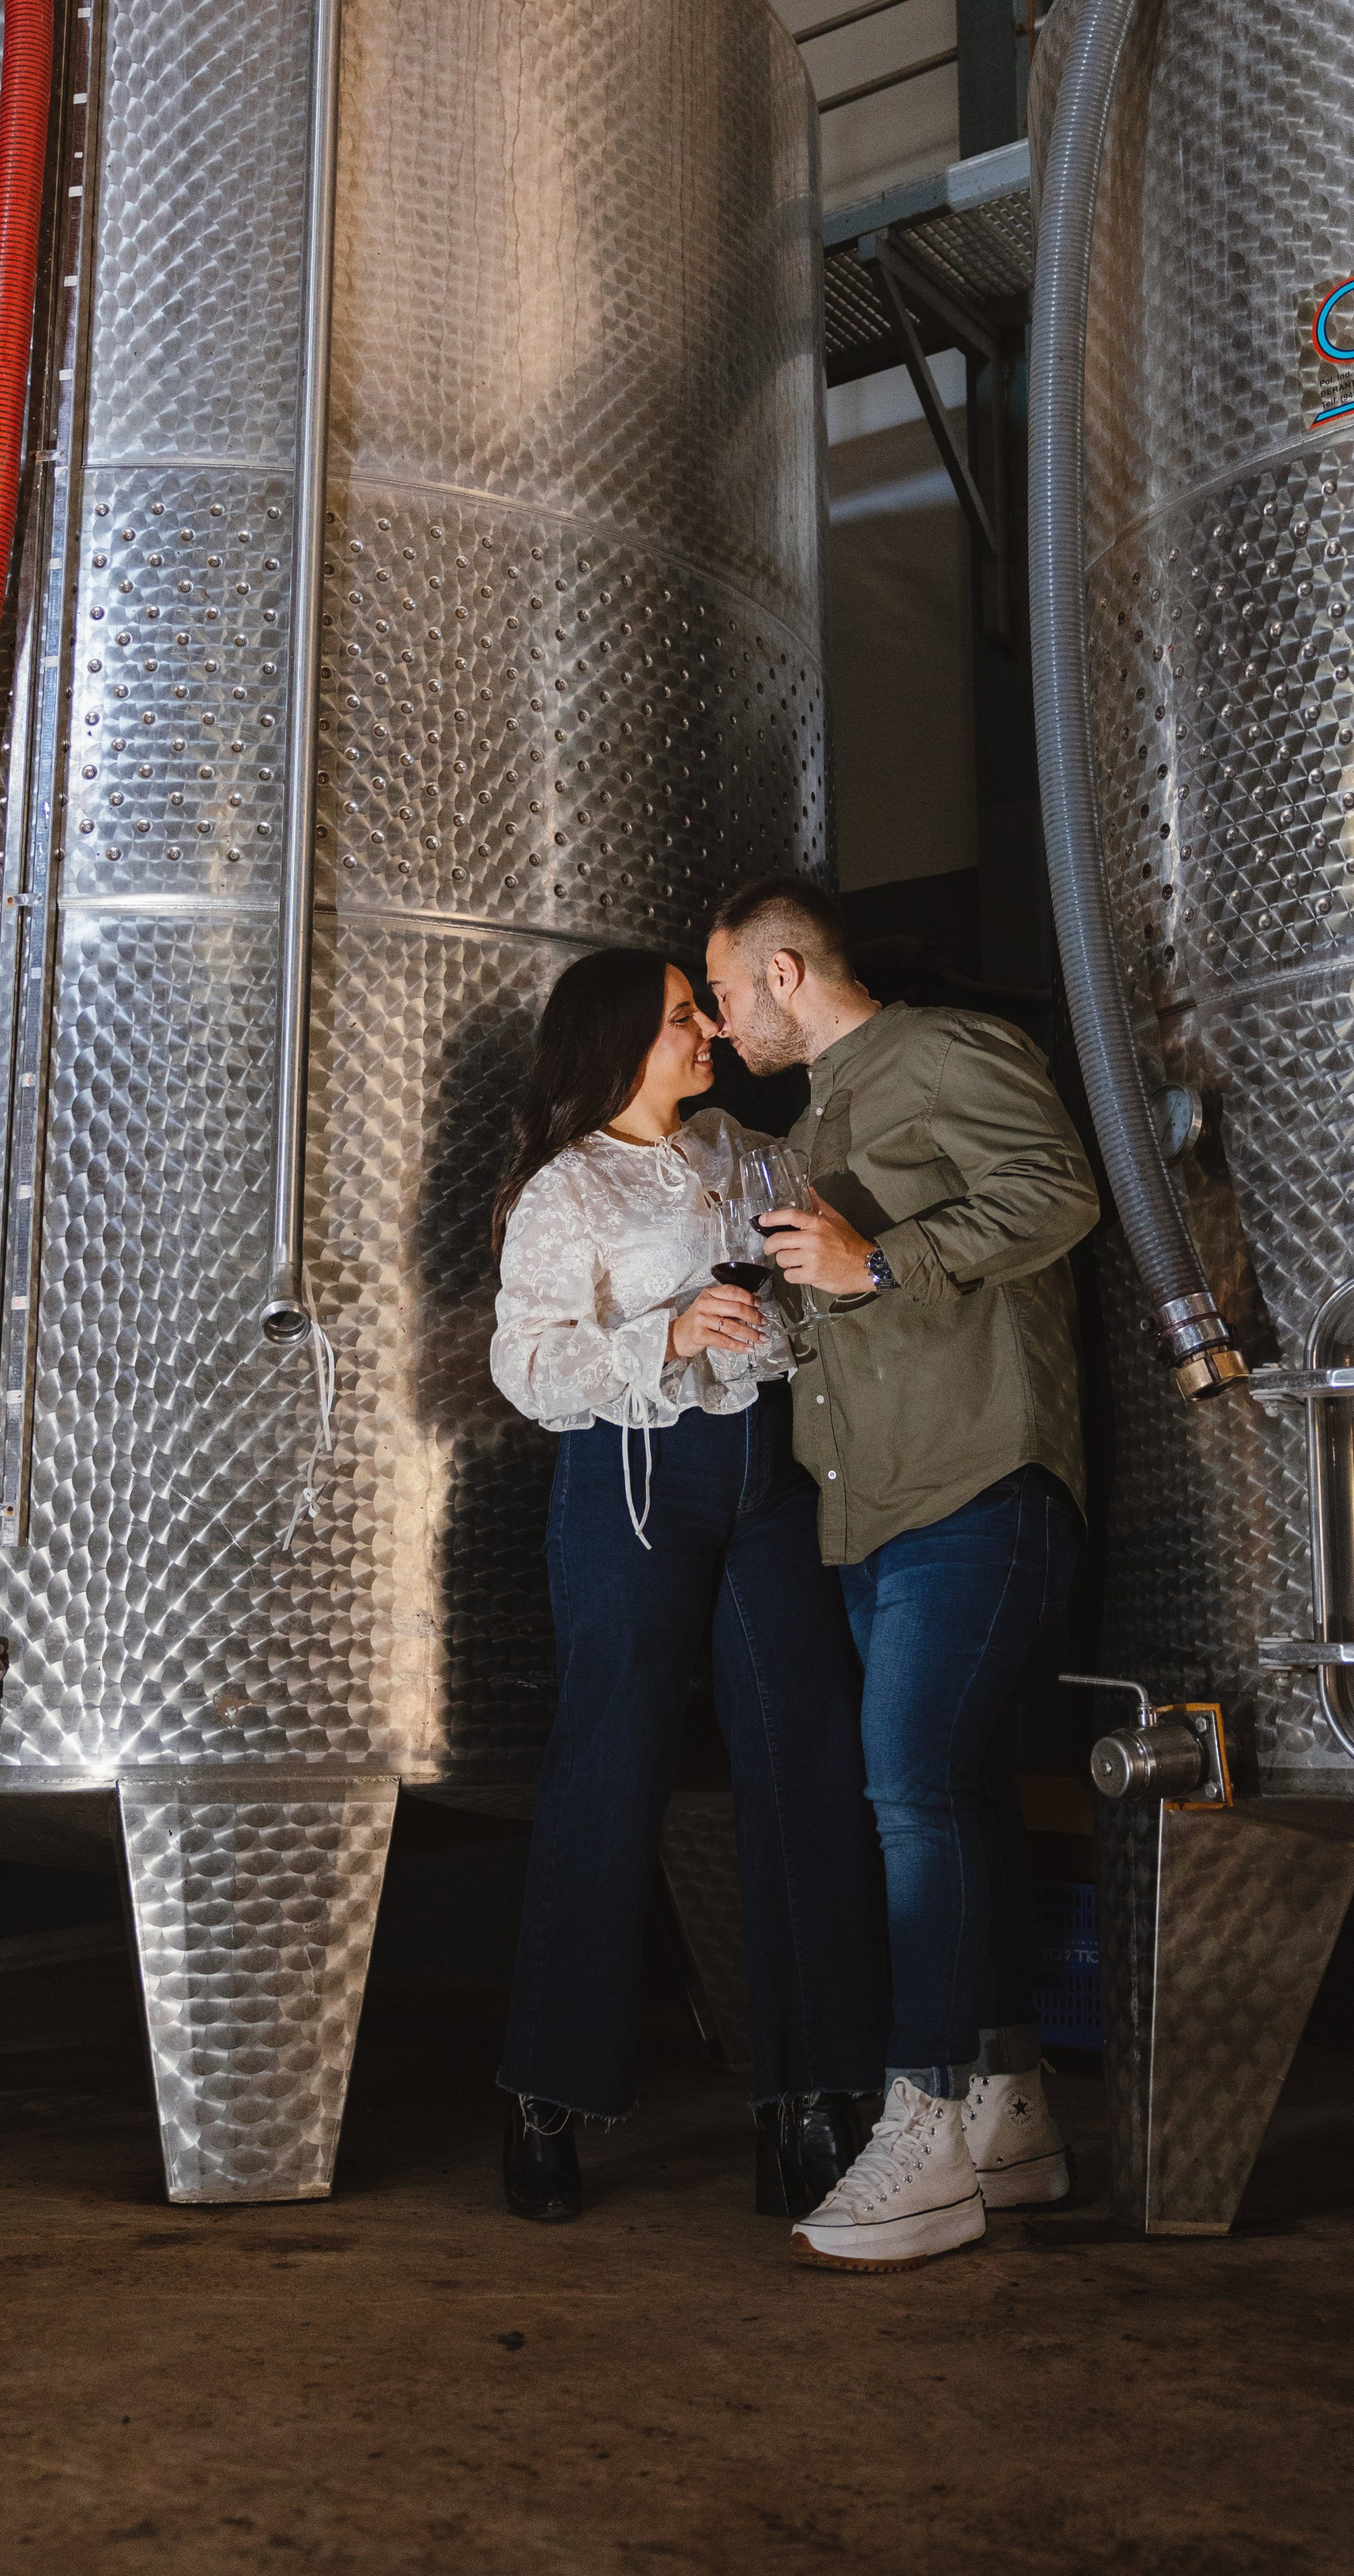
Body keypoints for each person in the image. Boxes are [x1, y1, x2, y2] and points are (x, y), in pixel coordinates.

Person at [703, 877, 1100, 2270]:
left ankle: (922, 2123)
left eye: (725, 992)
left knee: (913, 1793)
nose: (717, 1022)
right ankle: (1011, 2113)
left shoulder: (940, 1051)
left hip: (977, 1480)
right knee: (958, 1793)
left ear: (786, 972)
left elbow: (1060, 1193)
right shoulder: (815, 1117)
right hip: (871, 1509)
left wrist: (879, 1266)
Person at [488, 946, 888, 2226]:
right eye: (681, 1018)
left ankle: (809, 2104)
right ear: (623, 1041)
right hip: (633, 1479)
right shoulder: (567, 1189)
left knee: (805, 1765)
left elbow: (824, 1282)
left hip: (770, 1473)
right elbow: (525, 1366)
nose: (707, 1030)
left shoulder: (754, 1152)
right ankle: (547, 2096)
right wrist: (664, 1330)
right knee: (609, 1771)